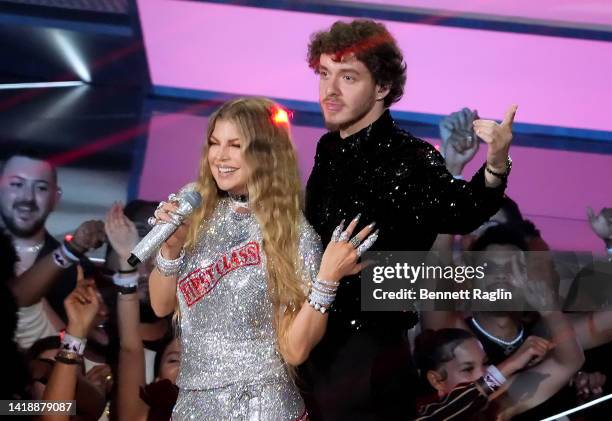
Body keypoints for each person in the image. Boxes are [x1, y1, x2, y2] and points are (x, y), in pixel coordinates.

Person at [302, 19, 515, 419]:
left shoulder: (410, 156)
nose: (329, 90)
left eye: (347, 77)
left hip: (368, 352)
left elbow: (465, 211)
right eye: (325, 74)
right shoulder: (327, 147)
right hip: (312, 337)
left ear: (382, 88)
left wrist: (497, 162)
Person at [148, 97, 378, 420]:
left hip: (260, 407)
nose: (220, 156)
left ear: (265, 153)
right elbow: (160, 306)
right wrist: (170, 249)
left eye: (235, 145)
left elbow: (295, 350)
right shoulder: (196, 216)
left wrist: (326, 280)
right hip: (192, 406)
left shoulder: (294, 236)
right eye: (214, 143)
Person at [0, 151, 106, 349]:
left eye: (40, 188)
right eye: (17, 184)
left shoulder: (78, 270)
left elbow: (86, 341)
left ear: (55, 198)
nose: (27, 197)